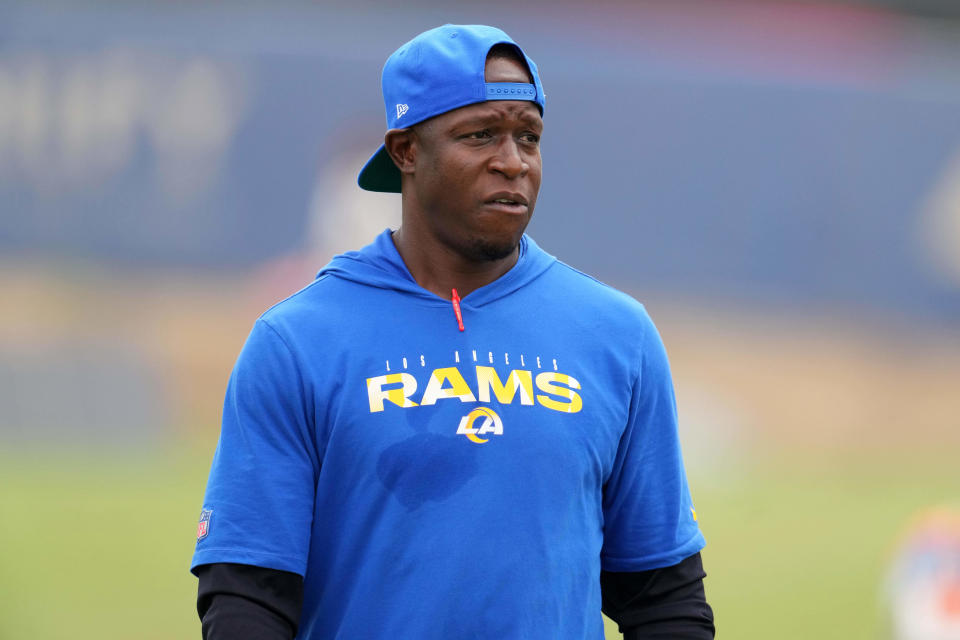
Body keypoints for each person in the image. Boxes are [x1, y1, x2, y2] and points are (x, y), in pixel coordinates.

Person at [191, 24, 715, 640]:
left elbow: (664, 599)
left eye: (529, 136)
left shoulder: (616, 335)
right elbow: (247, 600)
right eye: (481, 135)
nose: (512, 162)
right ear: (406, 151)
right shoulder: (297, 342)